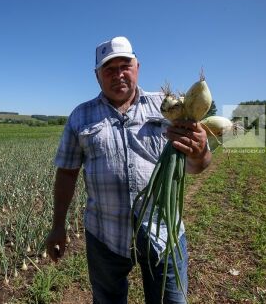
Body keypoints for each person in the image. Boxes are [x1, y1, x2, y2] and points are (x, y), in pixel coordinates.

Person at [45, 36, 211, 304]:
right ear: (97, 76)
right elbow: (66, 172)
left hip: (163, 232)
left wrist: (200, 150)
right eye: (109, 69)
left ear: (138, 67)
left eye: (125, 66)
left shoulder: (170, 107)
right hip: (105, 234)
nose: (118, 74)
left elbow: (198, 166)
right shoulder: (80, 116)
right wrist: (57, 226)